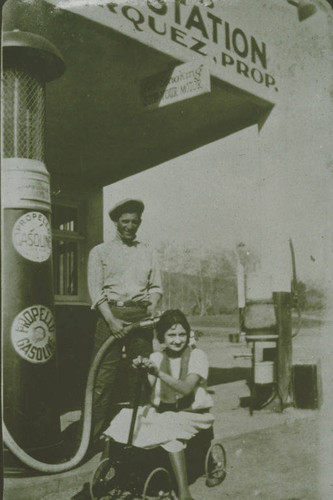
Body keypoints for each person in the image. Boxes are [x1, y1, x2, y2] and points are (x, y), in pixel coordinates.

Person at [104, 309, 215, 500]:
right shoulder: (157, 357)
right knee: (121, 420)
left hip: (192, 413)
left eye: (182, 334)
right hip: (163, 411)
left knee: (169, 433)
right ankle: (106, 476)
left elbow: (186, 389)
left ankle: (184, 492)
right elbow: (147, 387)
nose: (178, 340)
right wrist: (140, 369)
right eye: (171, 335)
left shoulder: (198, 356)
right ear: (162, 337)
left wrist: (158, 373)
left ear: (188, 335)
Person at [87, 198, 162, 444]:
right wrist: (111, 320)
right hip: (110, 316)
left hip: (140, 317)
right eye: (125, 221)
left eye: (134, 222)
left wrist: (151, 307)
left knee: (140, 374)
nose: (130, 226)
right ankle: (90, 438)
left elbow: (156, 286)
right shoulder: (99, 252)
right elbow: (96, 291)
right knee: (102, 378)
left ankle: (138, 435)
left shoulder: (148, 251)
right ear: (116, 223)